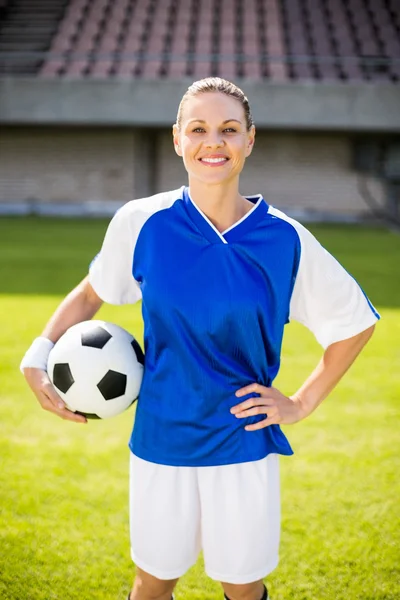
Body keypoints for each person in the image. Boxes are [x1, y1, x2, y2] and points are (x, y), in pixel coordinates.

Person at [21, 77, 379, 600]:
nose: (214, 142)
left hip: (242, 441)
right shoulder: (141, 221)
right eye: (199, 129)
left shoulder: (285, 238)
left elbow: (354, 322)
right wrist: (38, 354)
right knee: (153, 580)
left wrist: (300, 403)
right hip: (161, 437)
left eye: (229, 129)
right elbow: (89, 295)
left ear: (249, 140)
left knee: (242, 585)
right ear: (177, 139)